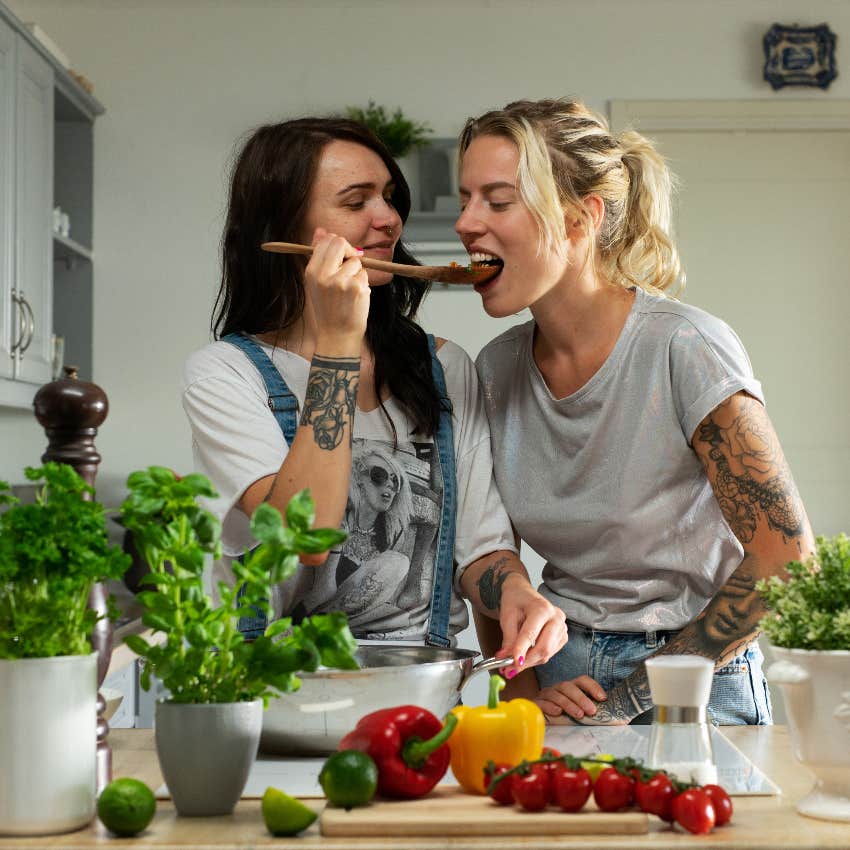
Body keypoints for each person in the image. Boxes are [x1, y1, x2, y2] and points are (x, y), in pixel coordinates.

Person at [455, 98, 815, 724]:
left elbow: (784, 559)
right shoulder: (493, 370)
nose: (465, 223)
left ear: (578, 219)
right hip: (562, 680)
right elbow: (490, 554)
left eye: (497, 199)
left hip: (700, 685)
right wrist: (525, 691)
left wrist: (625, 704)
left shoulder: (685, 347)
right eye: (465, 198)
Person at [181, 116, 567, 668]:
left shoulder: (445, 367)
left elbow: (482, 549)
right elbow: (305, 536)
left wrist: (516, 594)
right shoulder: (225, 377)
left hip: (421, 686)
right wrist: (339, 341)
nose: (388, 219)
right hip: (276, 690)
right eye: (356, 201)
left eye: (388, 197)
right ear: (286, 225)